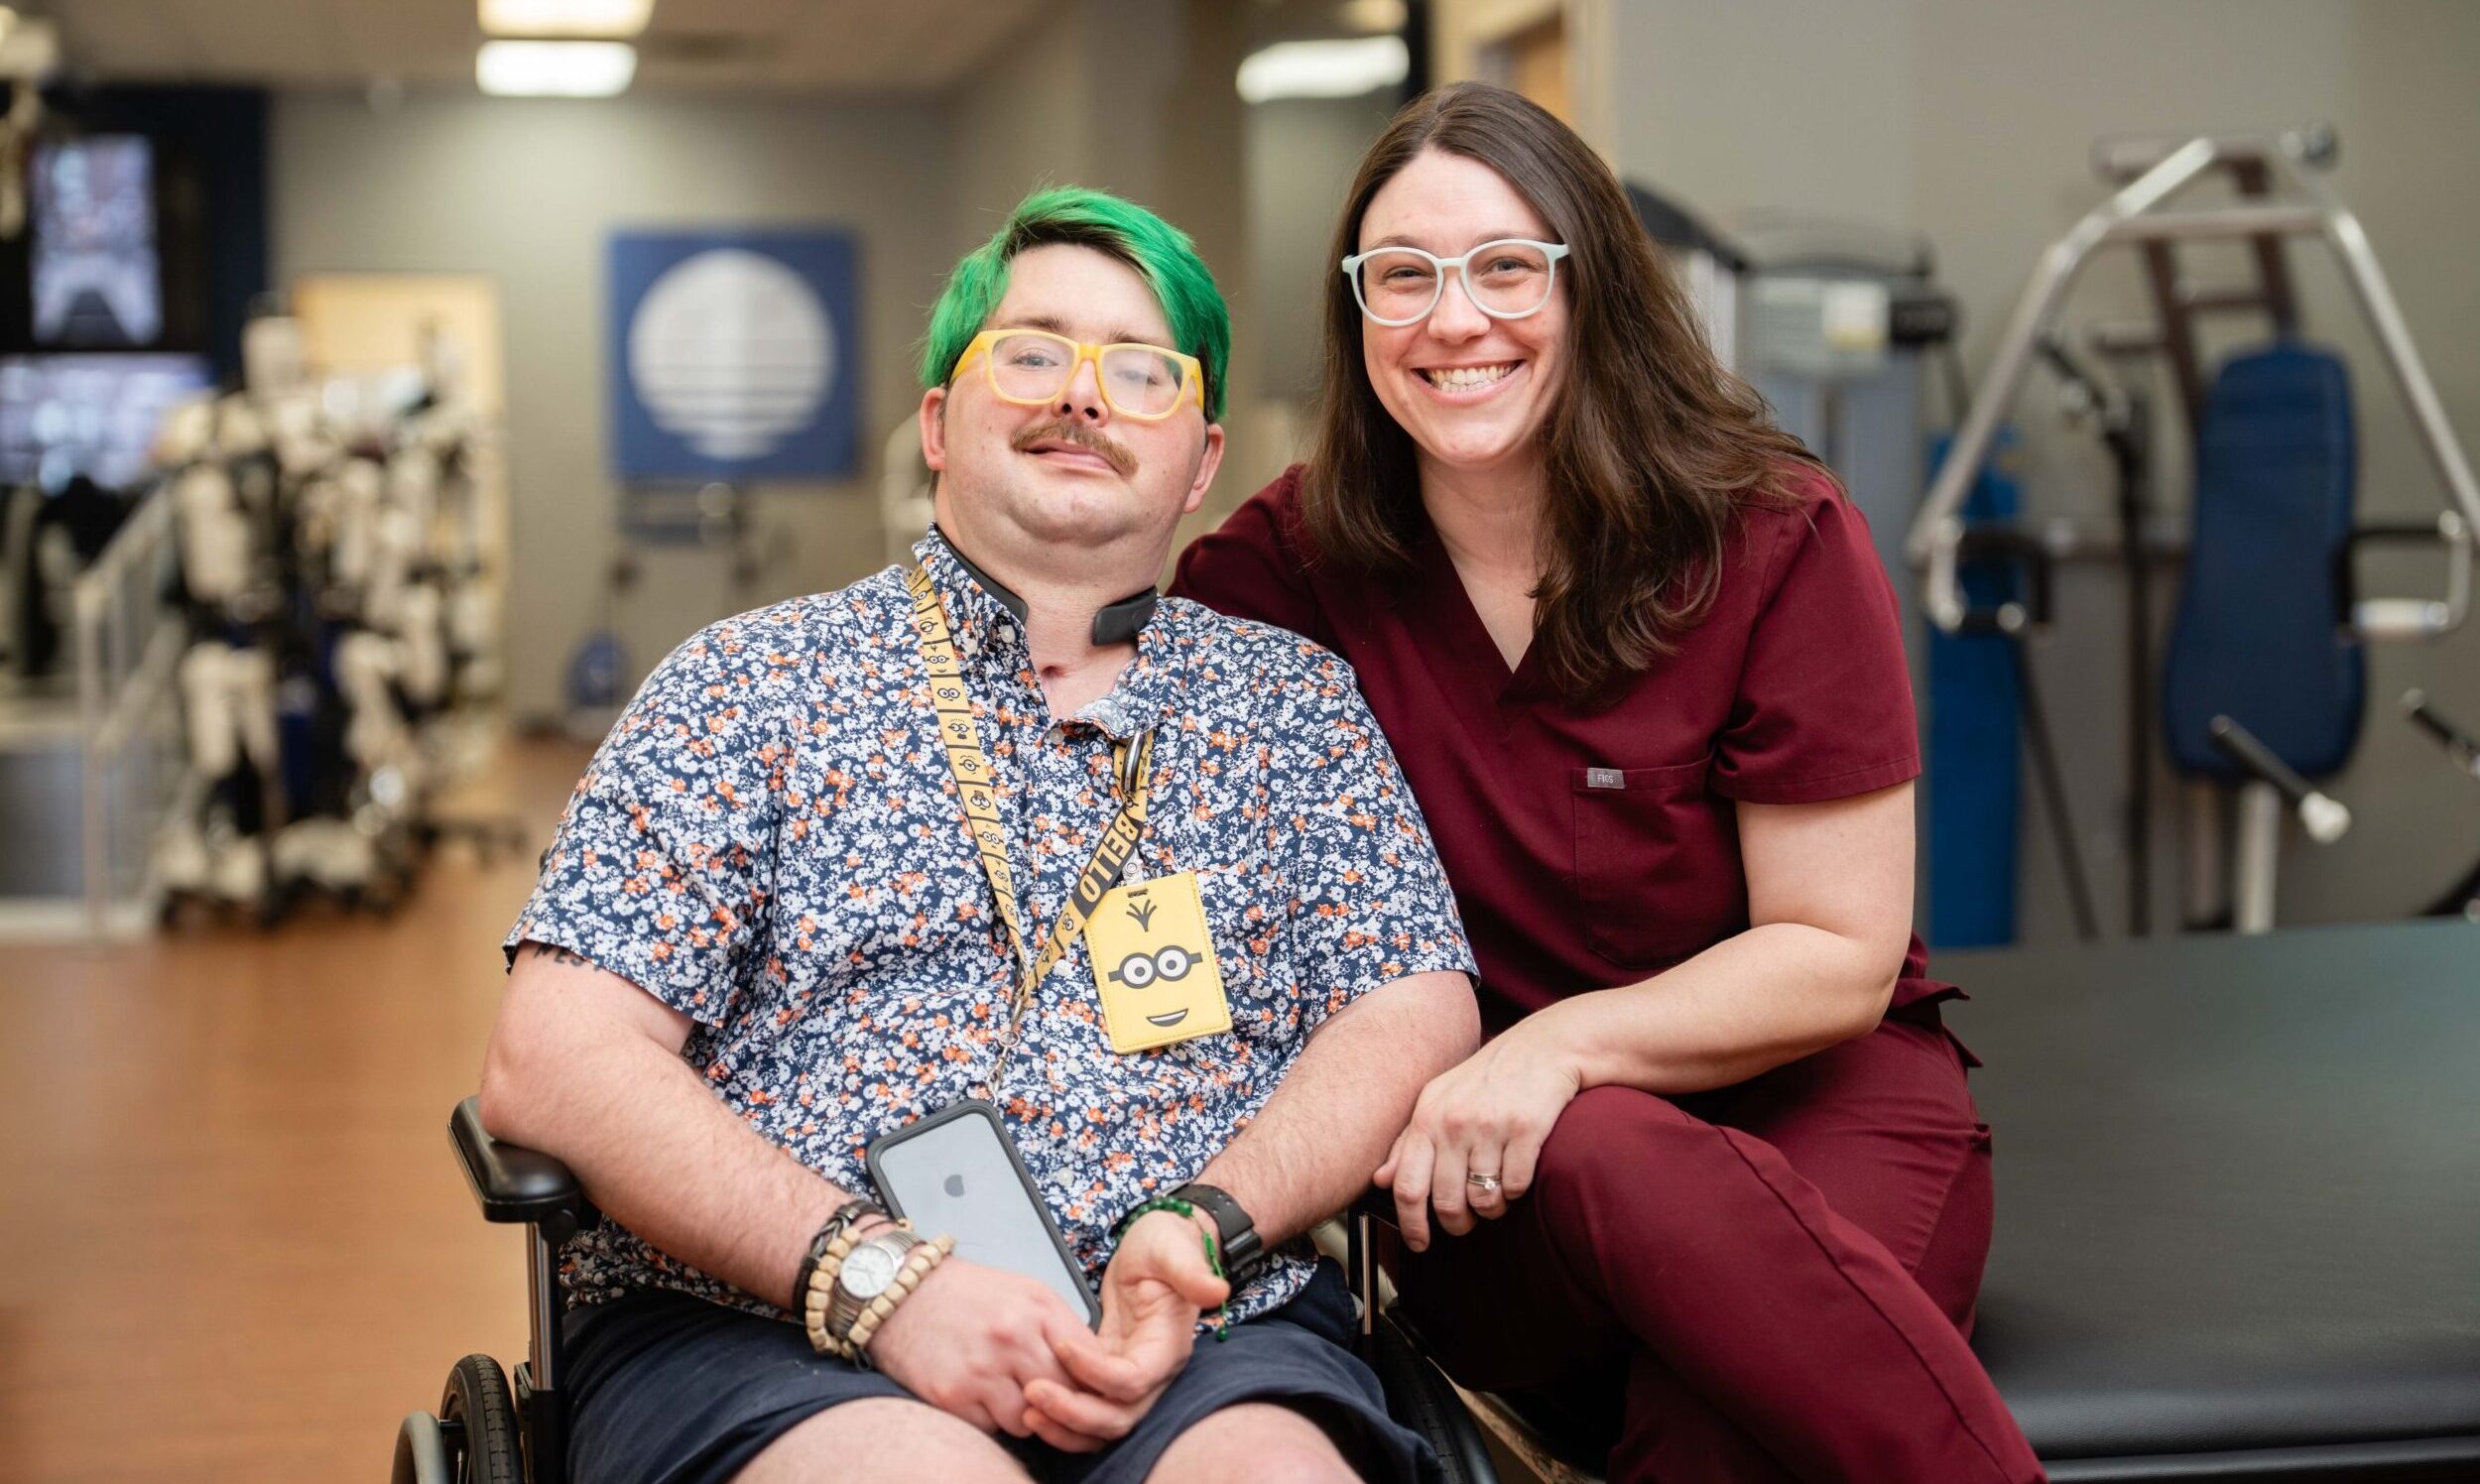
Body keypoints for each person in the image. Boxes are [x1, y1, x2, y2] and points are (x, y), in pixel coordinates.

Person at [480, 186, 1481, 1484]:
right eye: (1032, 353)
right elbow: (554, 1058)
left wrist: (1205, 1221)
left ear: (1204, 456)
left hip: (1200, 1327)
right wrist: (878, 1281)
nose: (1082, 396)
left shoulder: (1291, 710)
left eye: (1140, 371)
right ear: (941, 425)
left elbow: (1408, 1005)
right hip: (773, 1328)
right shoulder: (748, 687)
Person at [1172, 83, 2047, 1484]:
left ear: (1594, 291)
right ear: (1357, 317)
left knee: (1720, 1432)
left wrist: (1556, 1046)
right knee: (1600, 1154)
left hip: (1821, 1104)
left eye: (1507, 267)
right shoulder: (1274, 580)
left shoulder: (1767, 536)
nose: (1454, 319)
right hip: (1494, 1183)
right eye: (1402, 277)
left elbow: (1837, 952)